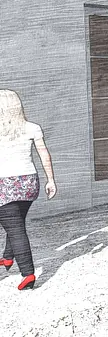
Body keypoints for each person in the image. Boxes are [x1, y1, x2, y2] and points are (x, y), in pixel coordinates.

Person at [0, 90, 56, 291]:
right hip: (29, 183)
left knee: (15, 228)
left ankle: (28, 274)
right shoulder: (32, 128)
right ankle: (7, 258)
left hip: (4, 183)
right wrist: (51, 180)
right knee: (15, 223)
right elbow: (44, 155)